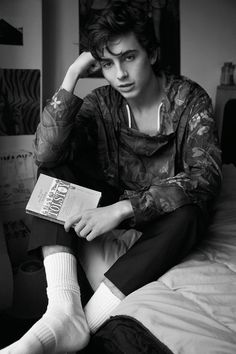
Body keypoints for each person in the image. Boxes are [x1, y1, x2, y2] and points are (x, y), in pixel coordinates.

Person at [2, 2, 222, 353]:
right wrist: (72, 74)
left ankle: (83, 321)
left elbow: (206, 176)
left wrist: (122, 210)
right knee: (54, 169)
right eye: (107, 63)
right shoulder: (102, 101)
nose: (119, 74)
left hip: (159, 217)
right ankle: (61, 308)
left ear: (152, 53)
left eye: (129, 57)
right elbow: (45, 154)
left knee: (193, 212)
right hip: (108, 196)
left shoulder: (189, 98)